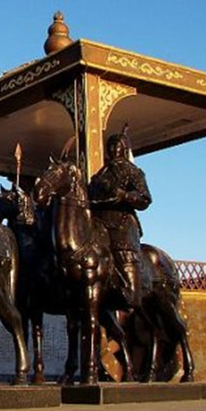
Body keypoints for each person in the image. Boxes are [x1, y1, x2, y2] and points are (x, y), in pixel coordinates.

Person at [88, 125, 151, 307]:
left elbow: (145, 198)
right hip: (98, 222)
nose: (113, 150)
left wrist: (124, 195)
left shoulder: (133, 171)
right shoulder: (101, 173)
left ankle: (131, 291)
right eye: (111, 146)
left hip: (121, 223)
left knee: (124, 255)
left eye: (117, 146)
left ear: (124, 149)